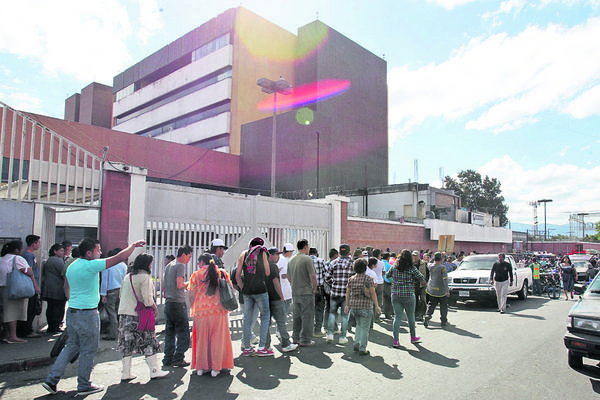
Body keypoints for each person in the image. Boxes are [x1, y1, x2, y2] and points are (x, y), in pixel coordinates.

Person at [42, 238, 146, 395]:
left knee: (71, 346)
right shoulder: (91, 265)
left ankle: (52, 380)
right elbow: (117, 258)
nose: (101, 253)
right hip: (88, 313)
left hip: (72, 311)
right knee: (88, 349)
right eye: (98, 250)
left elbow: (67, 287)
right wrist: (132, 246)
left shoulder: (72, 265)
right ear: (89, 253)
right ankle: (84, 384)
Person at [118, 253, 168, 381]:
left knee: (127, 343)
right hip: (139, 316)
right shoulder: (145, 277)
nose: (151, 265)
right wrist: (154, 308)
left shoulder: (127, 277)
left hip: (124, 314)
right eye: (151, 263)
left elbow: (120, 295)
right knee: (148, 341)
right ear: (146, 264)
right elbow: (147, 299)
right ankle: (154, 370)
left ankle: (126, 373)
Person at [187, 253, 234, 377]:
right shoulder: (222, 273)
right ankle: (216, 368)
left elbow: (191, 294)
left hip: (201, 311)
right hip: (219, 310)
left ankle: (201, 368)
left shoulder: (196, 275)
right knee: (217, 339)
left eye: (198, 262)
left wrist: (193, 307)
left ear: (202, 262)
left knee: (202, 340)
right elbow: (230, 288)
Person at [235, 237, 272, 356]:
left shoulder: (243, 254)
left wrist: (243, 288)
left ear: (250, 245)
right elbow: (267, 272)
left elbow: (237, 276)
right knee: (265, 316)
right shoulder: (263, 253)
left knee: (247, 318)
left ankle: (247, 347)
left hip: (247, 291)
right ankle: (262, 347)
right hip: (261, 290)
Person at [0, 240, 38, 343]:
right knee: (13, 312)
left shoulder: (1, 259)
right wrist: (35, 286)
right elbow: (29, 272)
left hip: (2, 287)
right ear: (17, 250)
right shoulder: (17, 259)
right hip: (13, 288)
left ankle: (6, 334)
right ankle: (13, 336)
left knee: (4, 312)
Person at [387, 249, 426, 346]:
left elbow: (387, 275)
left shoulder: (394, 266)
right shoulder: (411, 268)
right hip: (408, 295)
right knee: (410, 317)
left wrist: (395, 281)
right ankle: (413, 337)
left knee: (397, 317)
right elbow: (421, 277)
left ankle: (396, 340)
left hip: (395, 294)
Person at [162, 245, 192, 367]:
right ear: (184, 254)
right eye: (189, 256)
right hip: (178, 303)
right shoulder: (180, 265)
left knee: (170, 332)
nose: (189, 259)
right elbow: (180, 284)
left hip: (168, 302)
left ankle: (168, 358)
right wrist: (190, 282)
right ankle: (179, 356)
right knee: (183, 333)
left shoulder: (169, 265)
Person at [265, 247, 298, 352]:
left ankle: (265, 345)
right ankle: (286, 344)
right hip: (275, 298)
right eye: (276, 254)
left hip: (265, 298)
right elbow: (276, 283)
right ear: (270, 255)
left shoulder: (262, 267)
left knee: (266, 323)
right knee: (281, 321)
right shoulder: (273, 266)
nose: (277, 256)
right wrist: (281, 296)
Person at [345, 258, 380, 355]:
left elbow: (348, 293)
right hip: (366, 306)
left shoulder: (351, 279)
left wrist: (347, 305)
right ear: (365, 268)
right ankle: (362, 348)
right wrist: (377, 306)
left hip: (354, 307)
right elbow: (373, 293)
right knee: (365, 328)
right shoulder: (368, 279)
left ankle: (356, 343)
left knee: (358, 326)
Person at [288, 239, 317, 347]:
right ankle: (305, 340)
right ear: (305, 247)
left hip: (295, 291)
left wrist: (294, 284)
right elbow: (313, 276)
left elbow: (288, 277)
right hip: (306, 292)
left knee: (297, 316)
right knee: (307, 317)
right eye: (308, 247)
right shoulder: (307, 259)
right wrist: (314, 288)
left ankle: (295, 338)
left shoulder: (291, 260)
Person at [325, 244, 354, 344]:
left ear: (339, 253)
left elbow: (327, 277)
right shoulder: (352, 263)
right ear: (349, 252)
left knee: (332, 313)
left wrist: (333, 284)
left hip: (335, 292)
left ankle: (330, 334)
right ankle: (342, 337)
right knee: (345, 316)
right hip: (347, 294)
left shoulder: (333, 262)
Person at [17, 234, 42, 338]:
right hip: (30, 285)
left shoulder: (30, 255)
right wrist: (35, 286)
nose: (39, 245)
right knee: (30, 308)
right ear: (33, 244)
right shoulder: (28, 256)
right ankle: (26, 330)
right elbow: (30, 272)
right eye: (38, 243)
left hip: (31, 284)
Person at [99, 248, 127, 340]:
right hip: (121, 290)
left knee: (111, 313)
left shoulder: (107, 265)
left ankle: (113, 334)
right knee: (119, 312)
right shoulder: (123, 265)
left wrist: (103, 294)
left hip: (110, 291)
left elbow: (104, 281)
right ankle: (121, 332)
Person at [41, 243, 66, 334]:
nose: (62, 252)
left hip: (49, 288)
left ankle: (51, 326)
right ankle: (55, 326)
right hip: (57, 288)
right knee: (57, 308)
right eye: (61, 251)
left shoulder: (49, 260)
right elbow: (64, 272)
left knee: (51, 307)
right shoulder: (57, 261)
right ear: (55, 251)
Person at [424, 252, 450, 327]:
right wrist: (447, 291)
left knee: (431, 304)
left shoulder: (430, 266)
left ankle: (428, 316)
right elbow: (445, 280)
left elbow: (430, 262)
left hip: (431, 289)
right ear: (442, 259)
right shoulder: (442, 267)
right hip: (441, 290)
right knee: (443, 306)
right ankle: (443, 321)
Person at [310, 247, 327, 337]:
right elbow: (326, 273)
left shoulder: (305, 261)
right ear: (316, 253)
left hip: (308, 288)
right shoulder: (320, 261)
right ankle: (317, 330)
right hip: (319, 288)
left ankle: (308, 329)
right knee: (319, 309)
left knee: (308, 309)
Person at [277, 243, 294, 315]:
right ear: (289, 251)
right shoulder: (283, 260)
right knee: (284, 309)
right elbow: (283, 275)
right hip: (284, 289)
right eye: (292, 252)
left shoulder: (279, 258)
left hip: (280, 288)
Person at [412, 250, 428, 322]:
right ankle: (415, 314)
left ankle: (421, 314)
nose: (414, 257)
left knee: (422, 299)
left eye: (416, 256)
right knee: (414, 300)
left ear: (418, 256)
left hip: (422, 284)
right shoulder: (410, 264)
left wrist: (426, 281)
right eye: (413, 256)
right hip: (413, 285)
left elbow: (428, 274)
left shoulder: (424, 264)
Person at [381, 252, 394, 320]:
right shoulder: (389, 265)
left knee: (382, 298)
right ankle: (388, 313)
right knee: (388, 299)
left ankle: (379, 313)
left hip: (379, 283)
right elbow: (390, 276)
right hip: (387, 283)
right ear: (388, 258)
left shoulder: (379, 263)